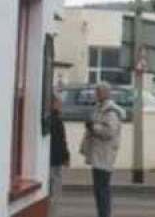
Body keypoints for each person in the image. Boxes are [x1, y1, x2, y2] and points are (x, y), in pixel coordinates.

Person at [80, 83, 124, 217]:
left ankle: (104, 214)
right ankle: (102, 213)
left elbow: (110, 131)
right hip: (98, 153)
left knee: (102, 189)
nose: (95, 94)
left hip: (105, 154)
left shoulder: (111, 111)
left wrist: (93, 127)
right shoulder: (99, 108)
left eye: (97, 92)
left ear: (105, 93)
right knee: (98, 188)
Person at [49, 95, 70, 217]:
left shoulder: (52, 118)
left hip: (52, 159)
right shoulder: (56, 119)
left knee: (52, 188)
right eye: (59, 103)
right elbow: (61, 140)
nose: (61, 105)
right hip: (56, 160)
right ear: (54, 104)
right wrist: (66, 157)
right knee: (55, 191)